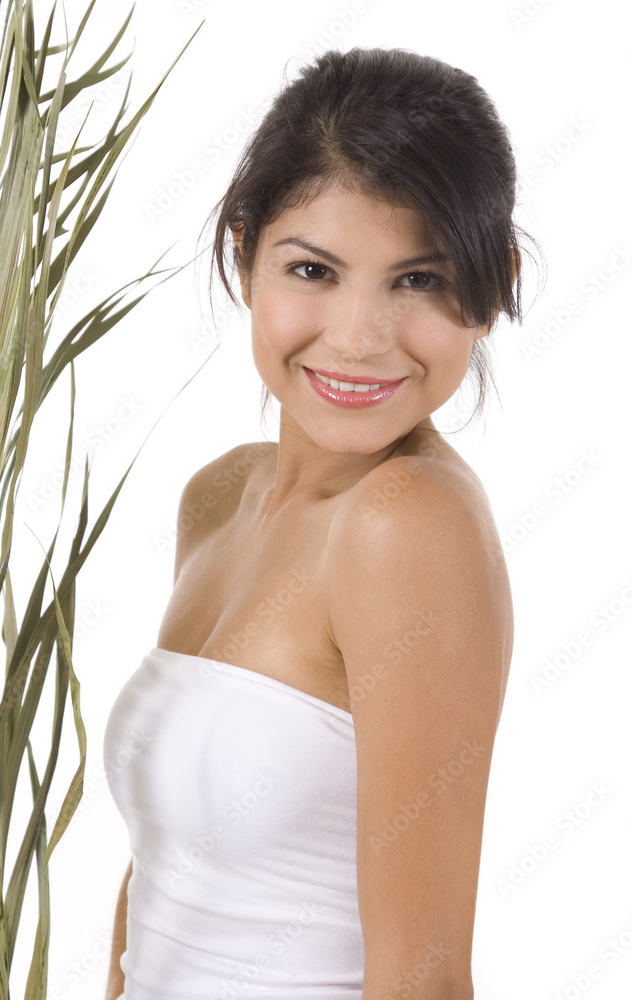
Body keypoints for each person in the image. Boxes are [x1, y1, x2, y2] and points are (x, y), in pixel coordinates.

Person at [104, 45, 533, 1000]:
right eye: (312, 269)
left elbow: (423, 981)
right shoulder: (220, 497)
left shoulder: (405, 522)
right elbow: (161, 886)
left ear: (493, 286)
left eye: (417, 280)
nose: (356, 338)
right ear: (243, 255)